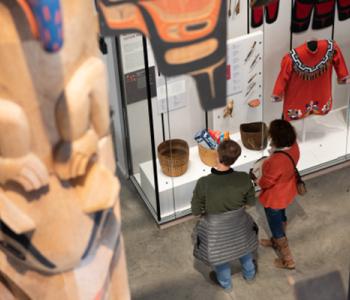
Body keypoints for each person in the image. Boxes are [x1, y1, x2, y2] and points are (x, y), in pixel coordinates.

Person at [191, 140, 258, 292]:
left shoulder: (204, 182)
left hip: (215, 228)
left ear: (218, 156)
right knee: (244, 248)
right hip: (239, 222)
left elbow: (195, 210)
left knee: (219, 256)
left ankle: (226, 285)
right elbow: (251, 202)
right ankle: (250, 274)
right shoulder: (243, 178)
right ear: (235, 158)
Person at [257, 119, 300, 269]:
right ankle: (276, 239)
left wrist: (257, 181)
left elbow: (266, 182)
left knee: (275, 224)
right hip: (287, 190)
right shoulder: (294, 147)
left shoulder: (275, 160)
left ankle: (287, 259)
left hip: (274, 197)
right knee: (281, 216)